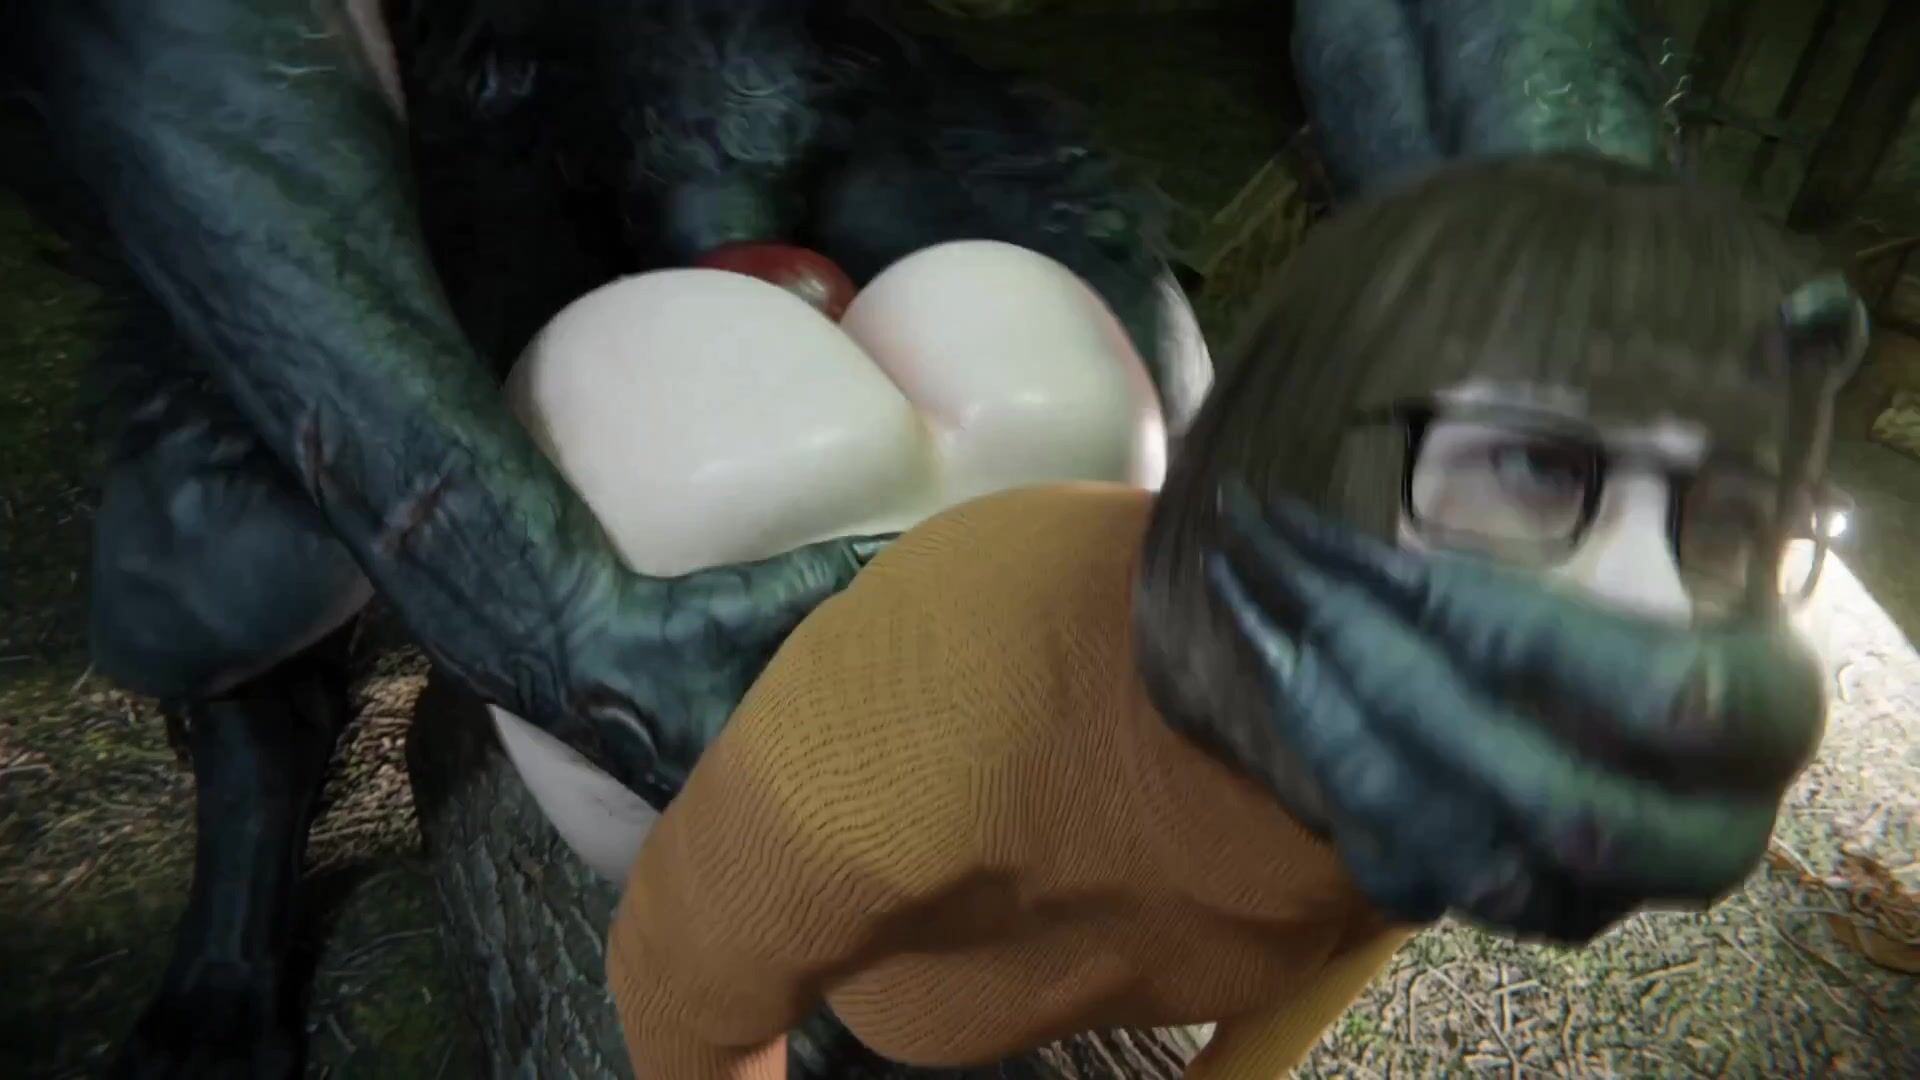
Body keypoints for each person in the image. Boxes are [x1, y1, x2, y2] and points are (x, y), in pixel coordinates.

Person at [602, 152, 1864, 1078]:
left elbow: (1365, 917)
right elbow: (681, 982)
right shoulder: (927, 733)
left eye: (1727, 522)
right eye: (1537, 469)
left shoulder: (1425, 749)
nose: (1659, 616)